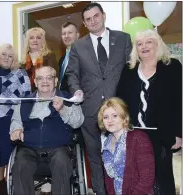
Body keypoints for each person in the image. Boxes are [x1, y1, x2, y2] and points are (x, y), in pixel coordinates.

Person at [64, 3, 132, 194]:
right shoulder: (78, 46)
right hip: (91, 111)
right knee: (95, 158)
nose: (93, 21)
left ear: (103, 15)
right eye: (88, 19)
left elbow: (132, 70)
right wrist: (76, 91)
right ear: (84, 23)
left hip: (119, 111)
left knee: (124, 157)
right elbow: (72, 74)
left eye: (96, 16)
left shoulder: (123, 39)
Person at [116, 29, 182, 195]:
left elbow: (179, 101)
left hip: (162, 134)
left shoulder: (172, 66)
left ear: (157, 44)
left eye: (148, 42)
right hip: (134, 133)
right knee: (137, 179)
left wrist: (179, 133)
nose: (144, 46)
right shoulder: (129, 69)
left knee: (163, 177)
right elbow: (120, 101)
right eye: (139, 44)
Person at [10, 66, 84, 195]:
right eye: (40, 78)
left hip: (58, 149)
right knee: (20, 165)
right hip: (29, 149)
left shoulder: (68, 99)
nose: (45, 81)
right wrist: (16, 129)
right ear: (35, 82)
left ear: (55, 81)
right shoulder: (25, 101)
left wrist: (62, 109)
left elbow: (77, 122)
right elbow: (16, 120)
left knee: (62, 162)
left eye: (49, 78)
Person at [0, 44, 31, 195]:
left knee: (6, 157)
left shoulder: (21, 73)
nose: (7, 58)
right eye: (4, 54)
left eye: (10, 56)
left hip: (11, 118)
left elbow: (27, 96)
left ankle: (6, 189)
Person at [98, 97, 155, 195]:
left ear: (124, 118)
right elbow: (109, 181)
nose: (109, 120)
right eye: (105, 117)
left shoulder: (138, 138)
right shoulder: (106, 143)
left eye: (115, 116)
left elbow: (147, 178)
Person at [58, 21, 80, 91]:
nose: (66, 36)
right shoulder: (61, 59)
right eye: (63, 33)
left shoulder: (84, 55)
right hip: (64, 98)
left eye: (70, 33)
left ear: (77, 35)